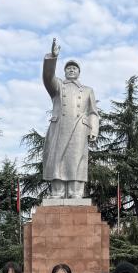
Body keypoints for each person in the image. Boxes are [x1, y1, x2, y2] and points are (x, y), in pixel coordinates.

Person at [41, 37, 99, 200]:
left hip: (79, 127)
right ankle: (57, 191)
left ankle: (76, 191)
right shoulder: (58, 86)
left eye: (74, 68)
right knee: (57, 158)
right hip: (60, 127)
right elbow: (47, 77)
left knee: (76, 159)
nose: (71, 70)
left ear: (79, 72)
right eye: (68, 68)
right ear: (65, 72)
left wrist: (93, 129)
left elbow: (93, 112)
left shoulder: (87, 90)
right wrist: (53, 57)